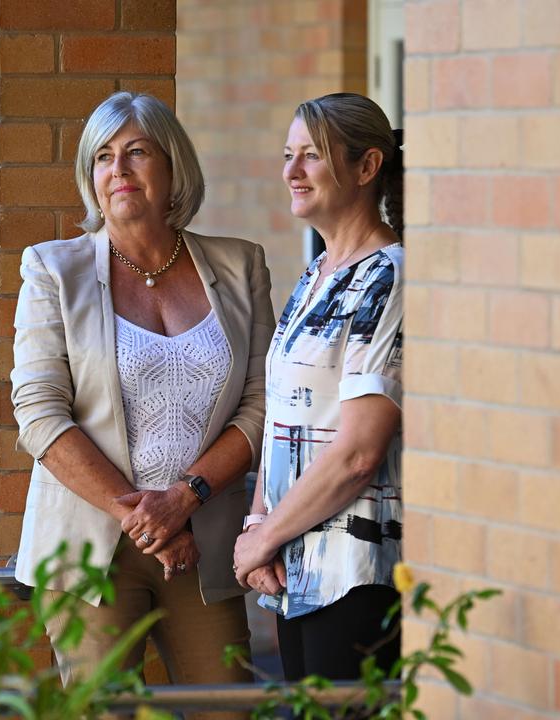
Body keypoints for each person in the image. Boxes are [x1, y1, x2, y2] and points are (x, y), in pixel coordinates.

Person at [10, 91, 274, 710]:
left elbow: (264, 404)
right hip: (89, 545)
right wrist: (146, 519)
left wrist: (183, 500)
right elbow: (38, 412)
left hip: (202, 539)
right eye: (102, 157)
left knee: (229, 708)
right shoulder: (53, 269)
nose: (118, 170)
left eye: (136, 152)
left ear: (174, 166)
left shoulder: (241, 265)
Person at [233, 92, 405, 682]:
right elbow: (282, 417)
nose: (291, 172)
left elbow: (359, 453)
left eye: (311, 156)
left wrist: (262, 540)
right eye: (288, 155)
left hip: (356, 572)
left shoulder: (390, 276)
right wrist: (260, 530)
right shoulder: (317, 273)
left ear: (366, 167)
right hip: (294, 567)